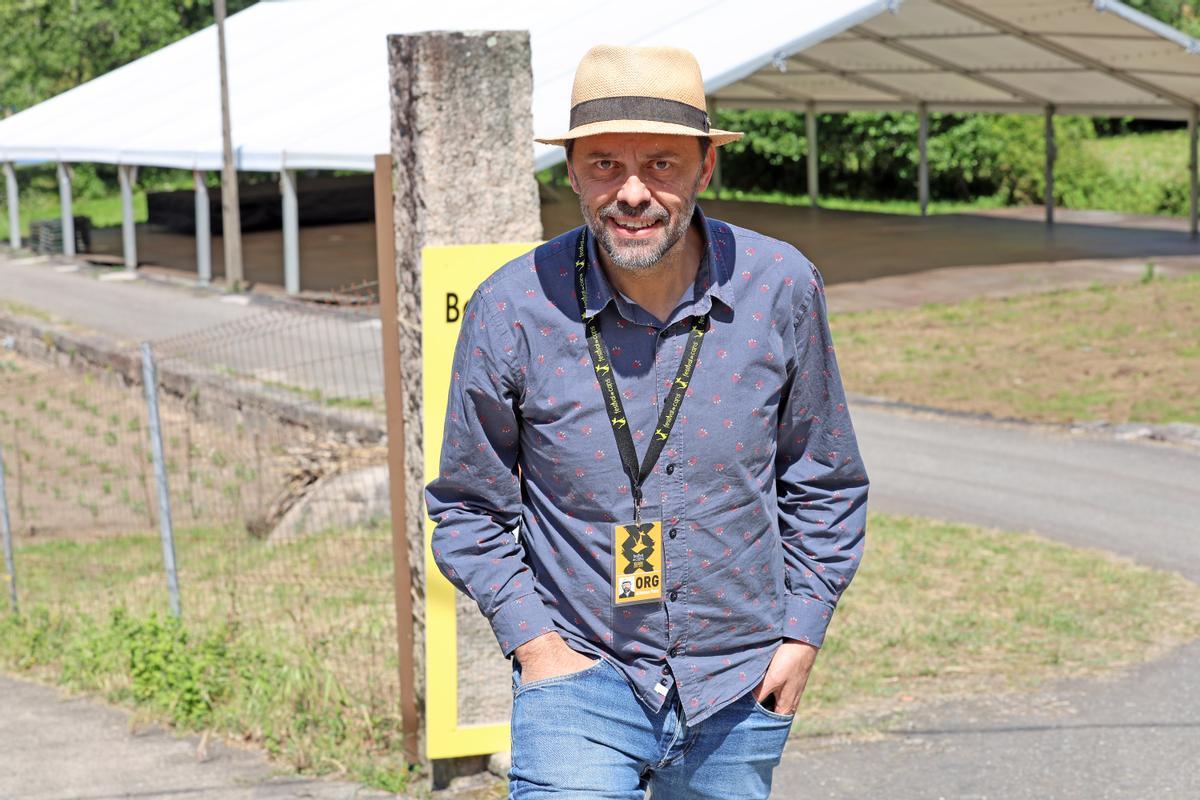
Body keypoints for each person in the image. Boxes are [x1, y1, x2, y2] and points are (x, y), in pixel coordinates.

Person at [425, 43, 869, 799]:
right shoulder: (511, 308)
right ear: (571, 172)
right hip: (579, 679)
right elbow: (468, 508)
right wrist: (536, 647)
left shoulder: (781, 286)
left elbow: (825, 479)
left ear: (705, 168)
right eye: (604, 164)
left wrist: (801, 634)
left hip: (738, 684)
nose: (631, 192)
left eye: (661, 164)